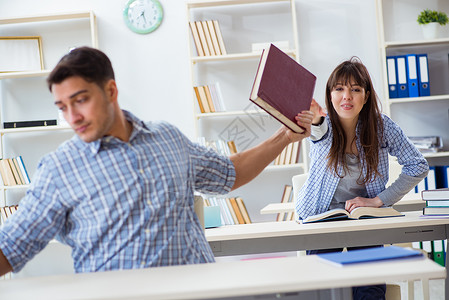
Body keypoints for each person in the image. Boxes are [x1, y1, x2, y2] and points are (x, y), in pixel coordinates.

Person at [0, 47, 313, 276]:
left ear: (110, 90)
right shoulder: (59, 168)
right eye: (62, 107)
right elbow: (12, 246)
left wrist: (284, 137)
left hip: (198, 291)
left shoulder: (167, 138)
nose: (73, 117)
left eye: (80, 100)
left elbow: (229, 174)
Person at [295, 57, 429, 300]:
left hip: (364, 218)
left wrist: (379, 200)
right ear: (330, 95)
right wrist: (314, 118)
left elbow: (418, 165)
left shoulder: (382, 127)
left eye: (355, 89)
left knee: (370, 289)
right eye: (340, 89)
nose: (347, 96)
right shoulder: (323, 127)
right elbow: (317, 129)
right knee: (324, 289)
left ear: (366, 96)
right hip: (321, 218)